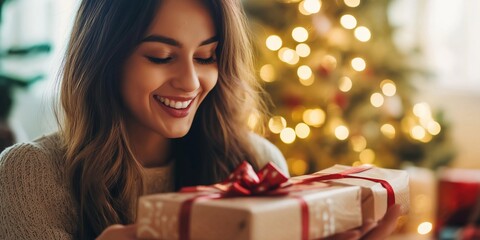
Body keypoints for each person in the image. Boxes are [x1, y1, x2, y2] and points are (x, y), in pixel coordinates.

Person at [0, 0, 401, 239]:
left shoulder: (256, 164)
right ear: (104, 58)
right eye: (161, 56)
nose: (190, 82)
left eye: (207, 56)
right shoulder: (27, 176)